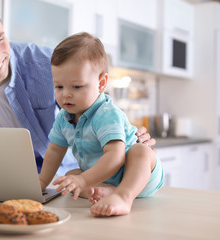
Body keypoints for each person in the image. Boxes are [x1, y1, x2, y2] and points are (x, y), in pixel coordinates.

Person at [0, 0, 156, 198]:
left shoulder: (44, 63)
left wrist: (125, 131)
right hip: (2, 181)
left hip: (59, 180)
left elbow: (93, 103)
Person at [39, 32, 164, 217]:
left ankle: (124, 196)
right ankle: (110, 192)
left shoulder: (106, 114)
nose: (66, 94)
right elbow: (55, 151)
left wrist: (83, 180)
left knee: (140, 152)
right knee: (69, 177)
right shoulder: (64, 118)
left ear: (101, 83)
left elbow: (116, 157)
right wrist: (40, 183)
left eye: (77, 87)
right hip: (105, 178)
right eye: (59, 86)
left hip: (138, 175)